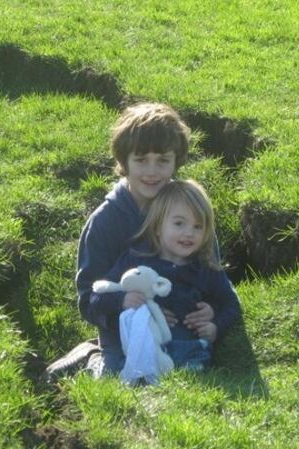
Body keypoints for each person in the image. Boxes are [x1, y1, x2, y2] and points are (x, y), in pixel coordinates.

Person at [73, 103, 217, 378]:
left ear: (177, 161)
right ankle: (93, 355)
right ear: (124, 161)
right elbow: (87, 298)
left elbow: (215, 273)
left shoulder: (190, 211)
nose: (152, 171)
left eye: (163, 160)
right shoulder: (105, 222)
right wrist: (125, 302)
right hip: (124, 333)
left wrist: (212, 312)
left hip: (183, 332)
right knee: (121, 378)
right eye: (141, 160)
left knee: (198, 377)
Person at [94, 180, 242, 372]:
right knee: (128, 374)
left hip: (192, 350)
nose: (189, 233)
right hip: (145, 347)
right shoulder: (137, 260)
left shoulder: (206, 267)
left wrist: (215, 326)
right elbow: (98, 295)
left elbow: (231, 303)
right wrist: (123, 300)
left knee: (192, 377)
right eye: (179, 223)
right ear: (157, 226)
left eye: (198, 227)